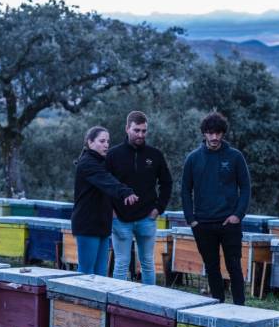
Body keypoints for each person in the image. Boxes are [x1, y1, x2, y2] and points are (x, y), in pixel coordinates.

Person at [181, 111, 251, 305]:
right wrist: (191, 220)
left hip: (229, 222)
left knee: (234, 266)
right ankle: (217, 306)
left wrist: (238, 215)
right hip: (202, 224)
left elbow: (245, 187)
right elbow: (185, 190)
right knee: (211, 267)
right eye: (210, 133)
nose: (214, 137)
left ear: (223, 134)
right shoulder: (193, 159)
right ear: (204, 133)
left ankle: (240, 307)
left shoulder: (235, 157)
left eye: (217, 133)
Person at [106, 111, 173, 284]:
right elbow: (105, 185)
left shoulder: (155, 155)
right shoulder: (113, 155)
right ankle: (117, 302)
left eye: (144, 131)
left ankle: (148, 305)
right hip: (120, 219)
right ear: (127, 128)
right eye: (137, 130)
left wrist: (158, 209)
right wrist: (111, 211)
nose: (140, 135)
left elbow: (167, 183)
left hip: (147, 218)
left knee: (148, 264)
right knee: (121, 263)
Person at [72, 126, 138, 275]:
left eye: (108, 141)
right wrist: (125, 191)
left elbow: (114, 180)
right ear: (90, 142)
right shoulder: (87, 163)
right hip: (87, 224)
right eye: (102, 141)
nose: (106, 144)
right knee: (86, 272)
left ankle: (97, 300)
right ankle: (81, 299)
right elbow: (106, 181)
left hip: (102, 223)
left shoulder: (103, 162)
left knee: (101, 273)